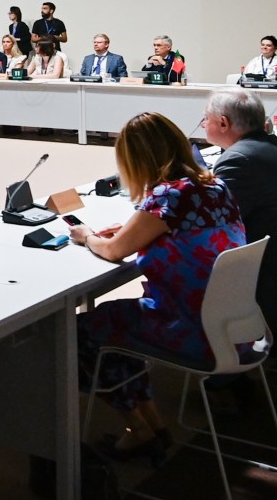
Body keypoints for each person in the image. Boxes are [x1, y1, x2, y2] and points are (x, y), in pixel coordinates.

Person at [70, 111, 246, 462]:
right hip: (230, 322)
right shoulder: (214, 185)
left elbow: (113, 251)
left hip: (187, 326)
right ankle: (150, 426)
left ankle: (140, 426)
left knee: (77, 334)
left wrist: (86, 235)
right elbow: (183, 232)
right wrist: (137, 226)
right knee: (113, 324)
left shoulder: (166, 196)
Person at [205, 89, 277, 334]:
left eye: (206, 118)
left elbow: (209, 220)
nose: (204, 124)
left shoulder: (239, 158)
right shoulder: (270, 145)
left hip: (275, 279)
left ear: (223, 123)